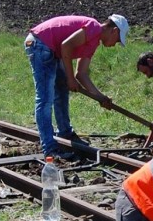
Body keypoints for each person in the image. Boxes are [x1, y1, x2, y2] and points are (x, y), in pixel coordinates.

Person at [25, 14, 128, 158]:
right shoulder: (93, 27)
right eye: (117, 41)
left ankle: (65, 133)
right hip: (40, 43)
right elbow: (66, 46)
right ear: (114, 31)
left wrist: (101, 97)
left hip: (51, 49)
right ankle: (49, 148)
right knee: (45, 99)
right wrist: (69, 78)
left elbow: (81, 74)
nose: (114, 44)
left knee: (61, 92)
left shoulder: (93, 43)